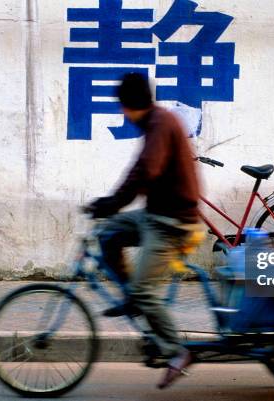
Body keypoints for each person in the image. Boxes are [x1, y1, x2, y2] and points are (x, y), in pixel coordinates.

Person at [85, 72, 202, 389]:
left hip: (173, 223)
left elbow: (146, 171)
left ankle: (176, 351)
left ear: (131, 105)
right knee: (109, 234)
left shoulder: (161, 124)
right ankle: (132, 296)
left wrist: (113, 202)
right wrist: (109, 204)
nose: (123, 114)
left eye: (123, 107)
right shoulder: (154, 123)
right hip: (155, 215)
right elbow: (139, 170)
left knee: (145, 290)